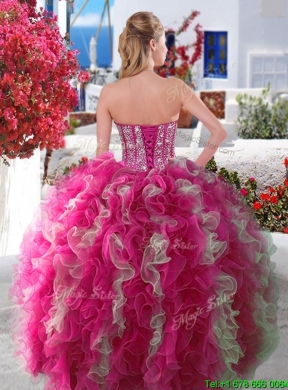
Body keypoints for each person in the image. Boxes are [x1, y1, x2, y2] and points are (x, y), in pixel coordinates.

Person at [10, 11, 279, 390]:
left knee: (115, 286)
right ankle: (174, 368)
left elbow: (103, 155)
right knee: (180, 286)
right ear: (152, 44)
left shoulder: (111, 93)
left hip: (123, 193)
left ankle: (122, 369)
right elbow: (217, 132)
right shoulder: (175, 89)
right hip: (174, 190)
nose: (167, 48)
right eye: (165, 41)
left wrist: (105, 188)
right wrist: (194, 169)